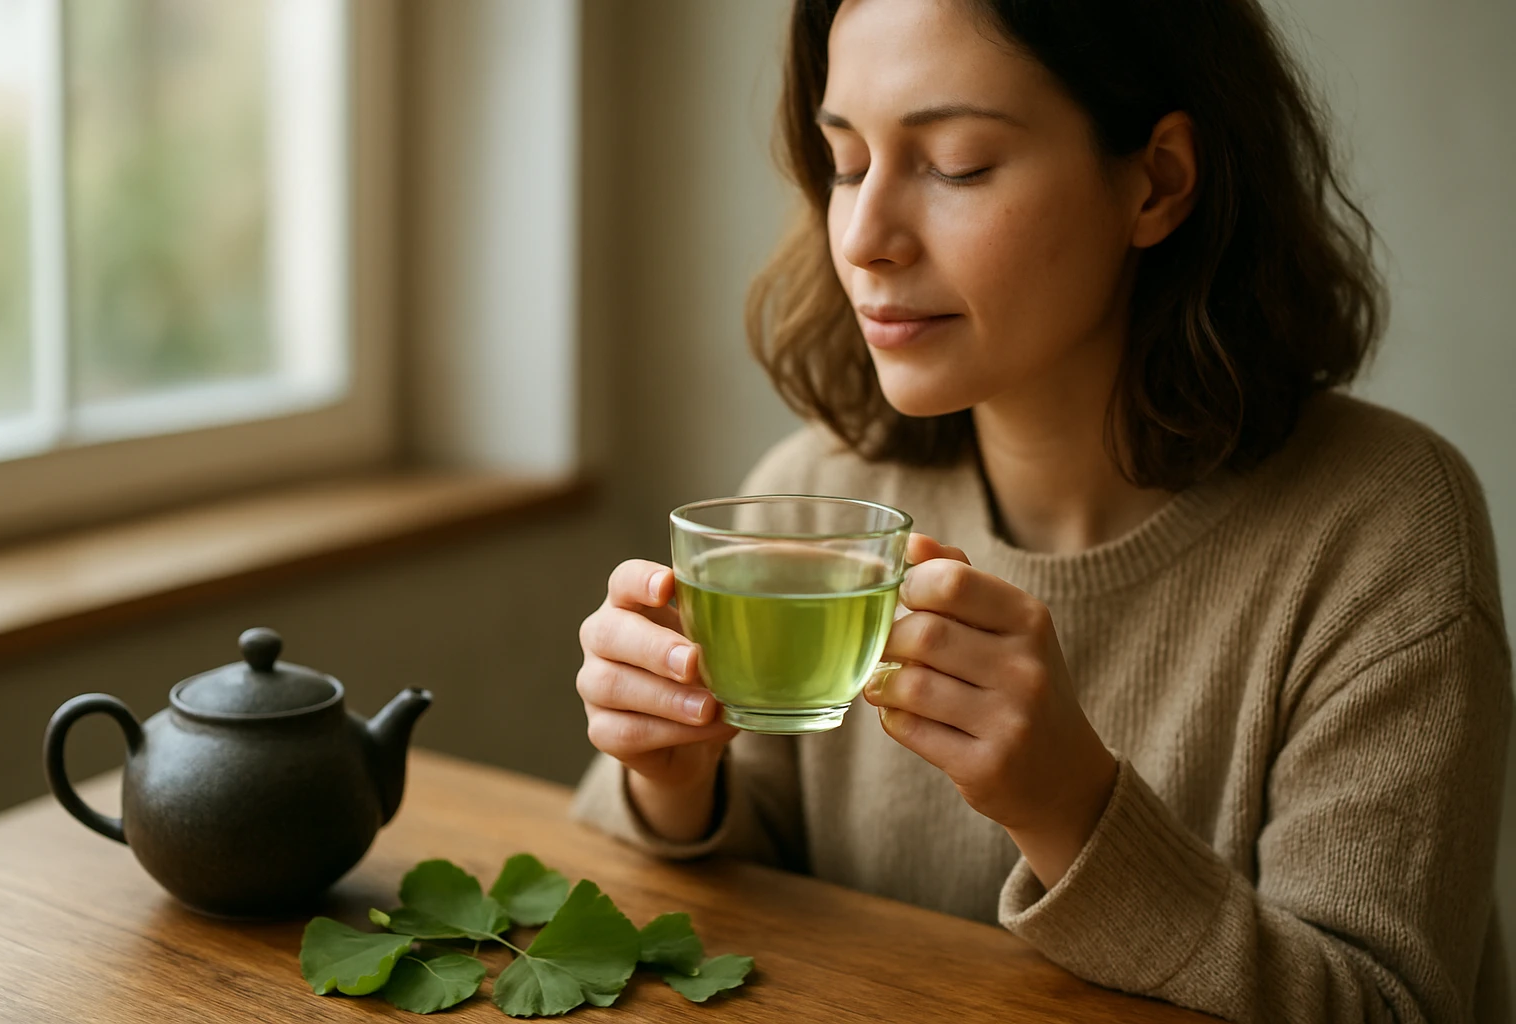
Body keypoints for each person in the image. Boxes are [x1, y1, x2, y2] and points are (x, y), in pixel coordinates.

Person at [569, 0, 1512, 1019]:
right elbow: (715, 893)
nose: (865, 238)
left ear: (1158, 182)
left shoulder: (1384, 531)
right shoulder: (810, 499)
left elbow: (1386, 1006)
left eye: (958, 163)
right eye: (844, 163)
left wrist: (1073, 809)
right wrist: (671, 779)